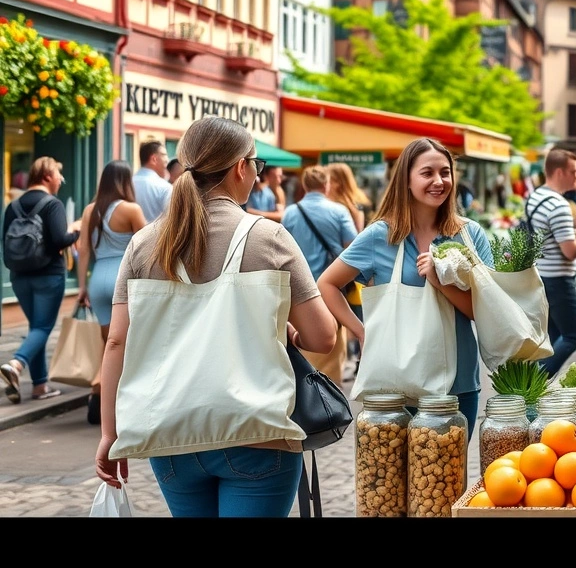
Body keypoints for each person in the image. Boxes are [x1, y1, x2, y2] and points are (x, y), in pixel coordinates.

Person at [95, 117, 338, 517]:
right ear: (241, 167)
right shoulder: (268, 237)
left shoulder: (144, 243)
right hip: (256, 435)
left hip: (172, 437)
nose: (257, 175)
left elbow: (117, 342)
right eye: (256, 165)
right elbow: (323, 337)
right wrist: (286, 330)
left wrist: (110, 433)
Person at [317, 138, 494, 433]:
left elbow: (485, 311)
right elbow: (327, 284)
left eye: (445, 172)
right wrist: (361, 332)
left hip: (458, 385)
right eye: (427, 173)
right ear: (406, 180)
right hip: (396, 385)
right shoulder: (381, 236)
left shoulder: (469, 234)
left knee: (450, 465)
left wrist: (439, 281)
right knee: (395, 465)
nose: (439, 181)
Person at [0, 157, 82, 403]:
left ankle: (39, 386)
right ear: (47, 176)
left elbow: (5, 241)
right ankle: (16, 364)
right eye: (58, 175)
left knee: (36, 327)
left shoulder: (13, 206)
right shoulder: (52, 204)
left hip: (19, 277)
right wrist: (76, 230)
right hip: (48, 276)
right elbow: (59, 241)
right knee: (43, 328)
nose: (60, 180)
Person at [75, 161, 146, 424]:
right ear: (125, 181)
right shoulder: (131, 209)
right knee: (127, 345)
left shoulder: (89, 211)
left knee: (109, 344)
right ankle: (122, 406)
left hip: (97, 280)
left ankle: (99, 394)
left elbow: (84, 250)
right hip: (123, 278)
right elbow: (147, 246)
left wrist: (82, 287)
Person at [282, 166, 358, 386]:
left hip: (298, 289)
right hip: (332, 288)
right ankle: (330, 395)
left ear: (305, 186)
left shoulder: (290, 213)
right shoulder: (339, 211)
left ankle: (307, 391)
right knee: (333, 348)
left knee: (302, 342)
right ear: (326, 185)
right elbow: (353, 248)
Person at [526, 149, 576, 378]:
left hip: (541, 275)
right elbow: (570, 251)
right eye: (574, 171)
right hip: (559, 278)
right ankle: (533, 382)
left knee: (552, 337)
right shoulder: (559, 205)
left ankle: (534, 385)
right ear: (560, 172)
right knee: (572, 336)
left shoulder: (535, 196)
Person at [326, 162, 372, 366]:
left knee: (349, 315)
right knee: (352, 315)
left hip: (346, 270)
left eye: (330, 180)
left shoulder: (347, 208)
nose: (326, 184)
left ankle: (357, 356)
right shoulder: (356, 205)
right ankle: (356, 357)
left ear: (338, 182)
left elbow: (355, 245)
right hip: (349, 271)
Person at [133, 141, 173, 223]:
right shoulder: (164, 187)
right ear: (154, 159)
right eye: (164, 155)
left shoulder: (128, 184)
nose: (167, 160)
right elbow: (172, 220)